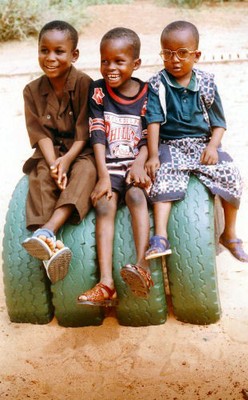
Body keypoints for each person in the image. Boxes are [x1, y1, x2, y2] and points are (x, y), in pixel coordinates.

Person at [144, 20, 248, 263]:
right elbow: (153, 122)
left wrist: (213, 146)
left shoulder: (207, 83)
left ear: (196, 55)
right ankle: (160, 237)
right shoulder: (157, 84)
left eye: (182, 53)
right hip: (170, 144)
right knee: (163, 178)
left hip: (203, 143)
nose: (175, 60)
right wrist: (152, 155)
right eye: (167, 54)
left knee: (231, 174)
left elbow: (219, 123)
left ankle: (230, 234)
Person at [77, 27, 153, 306]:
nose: (110, 67)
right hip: (109, 163)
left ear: (136, 64)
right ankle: (106, 283)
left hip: (135, 165)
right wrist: (103, 176)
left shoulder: (148, 93)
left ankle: (142, 266)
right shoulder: (97, 90)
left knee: (135, 196)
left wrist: (140, 163)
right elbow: (96, 133)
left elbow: (150, 135)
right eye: (104, 60)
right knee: (105, 205)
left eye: (119, 61)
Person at [22, 20, 97, 284]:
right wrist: (55, 163)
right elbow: (39, 133)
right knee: (40, 175)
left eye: (59, 51)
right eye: (44, 50)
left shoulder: (85, 84)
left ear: (74, 55)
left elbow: (84, 131)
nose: (50, 57)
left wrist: (67, 161)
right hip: (51, 151)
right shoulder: (31, 90)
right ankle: (49, 247)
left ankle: (49, 230)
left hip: (81, 150)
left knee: (87, 172)